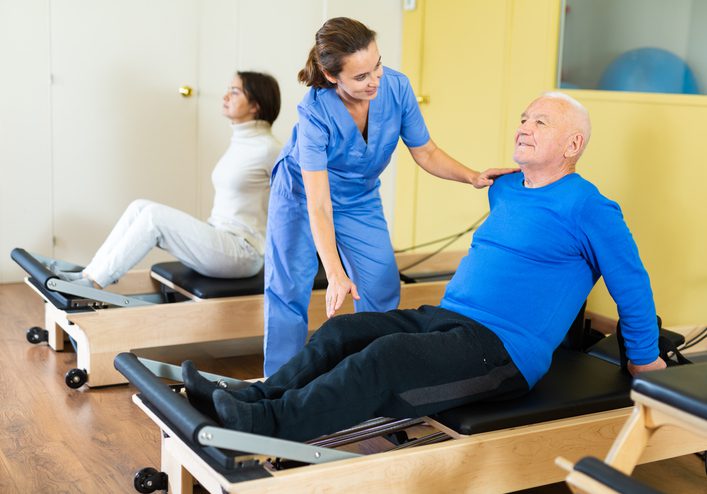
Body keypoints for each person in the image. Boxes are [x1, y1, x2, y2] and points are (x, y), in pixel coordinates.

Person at [183, 92, 666, 442]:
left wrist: (644, 362)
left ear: (573, 144)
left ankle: (266, 425)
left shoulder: (592, 208)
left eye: (540, 123)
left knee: (384, 358)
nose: (523, 126)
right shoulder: (508, 189)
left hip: (502, 352)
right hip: (446, 318)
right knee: (342, 334)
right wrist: (506, 174)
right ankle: (256, 398)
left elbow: (633, 287)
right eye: (523, 117)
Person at [263, 17, 516, 375]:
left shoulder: (396, 88)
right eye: (361, 76)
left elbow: (425, 151)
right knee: (289, 289)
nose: (375, 79)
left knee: (381, 287)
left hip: (358, 196)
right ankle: (276, 389)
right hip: (300, 196)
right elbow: (319, 205)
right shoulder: (314, 112)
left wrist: (472, 176)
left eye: (377, 65)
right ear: (332, 75)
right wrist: (335, 273)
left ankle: (368, 378)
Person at [54, 71, 282, 288]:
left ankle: (94, 283)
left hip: (243, 252)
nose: (225, 97)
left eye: (234, 92)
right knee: (139, 206)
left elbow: (301, 201)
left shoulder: (270, 149)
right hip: (221, 238)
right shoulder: (241, 142)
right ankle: (89, 273)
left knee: (154, 218)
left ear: (255, 105)